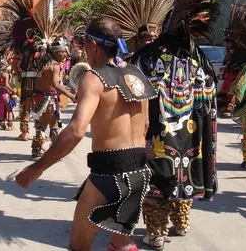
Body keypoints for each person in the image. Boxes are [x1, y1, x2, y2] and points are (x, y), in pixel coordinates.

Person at [16, 18, 156, 251]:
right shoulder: (136, 74)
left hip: (109, 174)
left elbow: (75, 130)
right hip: (140, 172)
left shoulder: (94, 78)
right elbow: (147, 124)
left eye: (83, 43)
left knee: (80, 245)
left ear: (92, 44)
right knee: (121, 244)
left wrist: (37, 167)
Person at [30, 38, 77, 158]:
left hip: (40, 97)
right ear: (56, 52)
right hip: (47, 100)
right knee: (46, 126)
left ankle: (52, 151)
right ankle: (39, 149)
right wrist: (71, 96)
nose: (66, 55)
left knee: (51, 125)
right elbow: (56, 85)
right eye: (64, 52)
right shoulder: (54, 65)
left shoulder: (45, 63)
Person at [0, 59, 16, 130]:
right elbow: (6, 84)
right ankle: (10, 124)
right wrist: (13, 91)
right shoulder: (6, 74)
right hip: (5, 93)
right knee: (9, 109)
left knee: (1, 109)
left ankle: (2, 124)